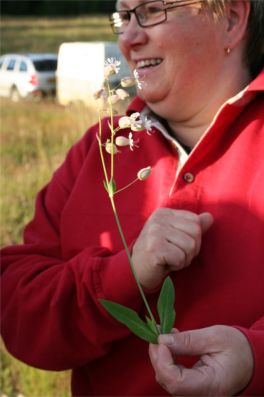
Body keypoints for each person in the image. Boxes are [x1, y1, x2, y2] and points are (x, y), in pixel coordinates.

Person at [1, 0, 264, 395]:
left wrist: (255, 359)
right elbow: (18, 314)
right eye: (123, 17)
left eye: (151, 11)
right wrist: (124, 273)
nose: (128, 37)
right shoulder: (100, 149)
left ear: (230, 19)